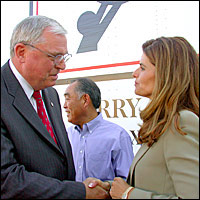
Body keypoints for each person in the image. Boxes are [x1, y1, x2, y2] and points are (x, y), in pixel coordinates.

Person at [1, 15, 110, 199]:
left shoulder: (49, 94)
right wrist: (79, 192)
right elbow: (7, 179)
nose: (62, 65)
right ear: (21, 52)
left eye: (64, 56)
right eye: (54, 56)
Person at [91, 36, 199, 199]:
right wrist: (112, 188)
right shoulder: (164, 122)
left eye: (142, 68)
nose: (134, 73)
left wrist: (128, 194)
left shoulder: (181, 122)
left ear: (165, 74)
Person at [63, 78, 134, 182]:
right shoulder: (67, 135)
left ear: (85, 100)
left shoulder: (118, 136)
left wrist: (104, 188)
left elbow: (127, 182)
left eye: (68, 99)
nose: (64, 106)